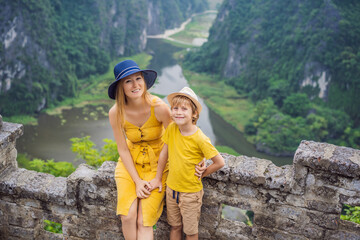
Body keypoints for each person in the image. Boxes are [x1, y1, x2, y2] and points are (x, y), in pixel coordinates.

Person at [149, 87, 225, 240]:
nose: (178, 112)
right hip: (171, 190)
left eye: (184, 109)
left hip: (190, 193)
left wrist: (203, 172)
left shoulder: (200, 138)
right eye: (175, 108)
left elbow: (219, 162)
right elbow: (165, 153)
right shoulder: (171, 128)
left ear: (194, 113)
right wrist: (158, 177)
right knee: (175, 226)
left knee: (191, 232)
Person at [108, 59, 172, 240]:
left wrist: (158, 177)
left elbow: (173, 141)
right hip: (130, 164)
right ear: (121, 86)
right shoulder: (116, 112)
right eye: (128, 81)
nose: (135, 85)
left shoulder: (159, 107)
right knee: (127, 216)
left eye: (138, 78)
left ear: (144, 81)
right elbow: (122, 149)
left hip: (158, 164)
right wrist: (137, 181)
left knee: (144, 220)